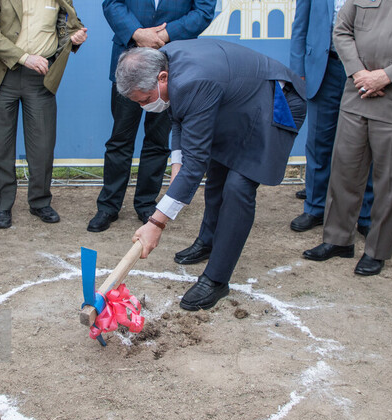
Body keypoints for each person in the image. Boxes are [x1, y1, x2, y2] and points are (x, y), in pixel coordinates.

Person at [119, 39, 306, 311]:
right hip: (241, 102)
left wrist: (156, 223)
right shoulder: (165, 62)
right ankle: (208, 241)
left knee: (238, 187)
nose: (144, 106)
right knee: (217, 174)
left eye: (145, 100)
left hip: (276, 102)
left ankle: (217, 279)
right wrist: (177, 164)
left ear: (162, 77)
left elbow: (196, 165)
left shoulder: (191, 81)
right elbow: (179, 118)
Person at [303, 0, 392, 276]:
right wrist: (359, 72)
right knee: (345, 168)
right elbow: (342, 29)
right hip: (357, 91)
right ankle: (337, 239)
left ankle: (377, 251)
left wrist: (387, 76)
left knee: (390, 181)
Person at [87, 0, 217, 233]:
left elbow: (204, 10)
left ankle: (146, 203)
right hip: (129, 60)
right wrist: (137, 33)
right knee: (120, 139)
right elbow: (112, 3)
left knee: (158, 141)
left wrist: (164, 35)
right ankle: (108, 205)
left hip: (172, 61)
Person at [0, 0, 87, 229]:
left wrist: (74, 38)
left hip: (41, 76)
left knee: (43, 146)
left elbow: (66, 26)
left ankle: (40, 202)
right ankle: (2, 205)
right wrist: (24, 57)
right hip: (2, 72)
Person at [289, 0, 374, 235]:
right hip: (325, 68)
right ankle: (315, 208)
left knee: (368, 146)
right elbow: (300, 26)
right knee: (319, 144)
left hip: (366, 72)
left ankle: (367, 216)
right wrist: (298, 71)